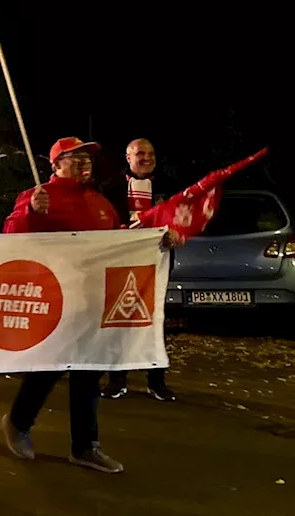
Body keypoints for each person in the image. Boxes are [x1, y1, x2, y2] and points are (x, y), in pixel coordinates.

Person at [0, 137, 181, 474]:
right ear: (56, 164)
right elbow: (10, 236)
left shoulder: (99, 202)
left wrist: (159, 240)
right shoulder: (39, 197)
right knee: (47, 370)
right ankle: (19, 422)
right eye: (75, 158)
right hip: (54, 302)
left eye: (88, 159)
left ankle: (85, 447)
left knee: (88, 374)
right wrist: (29, 213)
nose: (85, 164)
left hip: (93, 302)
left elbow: (121, 242)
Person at [101, 138, 175, 401]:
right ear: (128, 157)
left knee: (155, 322)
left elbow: (182, 218)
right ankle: (117, 380)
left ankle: (157, 381)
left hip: (157, 262)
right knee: (118, 321)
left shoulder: (168, 185)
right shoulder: (110, 187)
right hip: (122, 261)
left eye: (151, 153)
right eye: (140, 153)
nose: (146, 158)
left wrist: (179, 234)